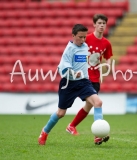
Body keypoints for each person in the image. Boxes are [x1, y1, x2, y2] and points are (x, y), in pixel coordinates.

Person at [38, 24, 104, 145]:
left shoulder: (85, 47)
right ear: (73, 36)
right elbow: (63, 68)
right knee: (60, 113)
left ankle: (98, 135)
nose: (83, 40)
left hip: (84, 82)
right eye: (80, 37)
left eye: (84, 37)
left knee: (98, 102)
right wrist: (73, 73)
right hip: (68, 84)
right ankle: (44, 131)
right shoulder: (69, 49)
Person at [66, 14, 113, 145]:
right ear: (94, 24)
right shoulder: (86, 39)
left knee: (90, 105)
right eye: (99, 23)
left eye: (104, 23)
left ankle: (71, 126)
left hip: (96, 79)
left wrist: (108, 63)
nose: (102, 25)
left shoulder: (106, 43)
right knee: (97, 103)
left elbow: (108, 56)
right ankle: (98, 135)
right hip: (83, 78)